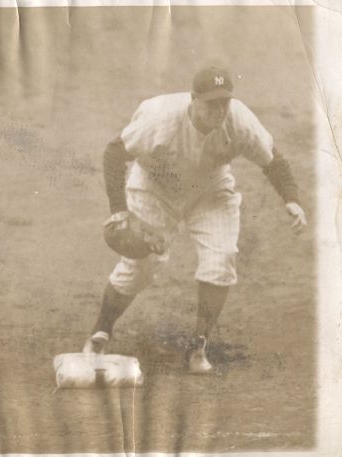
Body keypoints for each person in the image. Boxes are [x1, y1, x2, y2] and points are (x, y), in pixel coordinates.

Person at [83, 66, 307, 373]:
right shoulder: (160, 118)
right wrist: (119, 210)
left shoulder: (239, 120)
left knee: (221, 258)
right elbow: (113, 153)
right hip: (155, 187)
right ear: (193, 99)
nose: (218, 111)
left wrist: (292, 200)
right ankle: (100, 333)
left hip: (210, 190)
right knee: (142, 266)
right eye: (210, 103)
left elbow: (274, 160)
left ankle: (198, 345)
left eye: (223, 103)